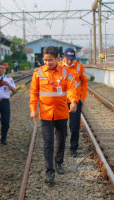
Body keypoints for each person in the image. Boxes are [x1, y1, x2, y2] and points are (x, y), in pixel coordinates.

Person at [30, 46, 78, 185]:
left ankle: (59, 163)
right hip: (45, 114)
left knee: (62, 139)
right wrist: (33, 109)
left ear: (58, 59)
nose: (48, 63)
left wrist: (73, 101)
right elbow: (34, 93)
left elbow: (71, 88)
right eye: (45, 60)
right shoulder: (38, 73)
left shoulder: (65, 72)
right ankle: (50, 172)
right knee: (48, 142)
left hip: (62, 112)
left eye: (50, 60)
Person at [62, 47, 88, 157]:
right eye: (68, 59)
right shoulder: (59, 67)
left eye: (72, 59)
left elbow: (84, 83)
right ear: (64, 57)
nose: (70, 61)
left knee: (74, 126)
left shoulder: (79, 66)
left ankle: (73, 148)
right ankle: (61, 147)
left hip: (76, 101)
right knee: (61, 126)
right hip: (62, 101)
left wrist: (82, 98)